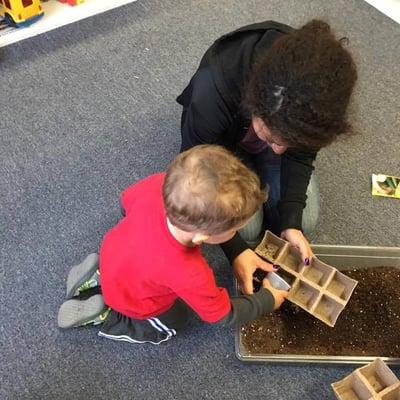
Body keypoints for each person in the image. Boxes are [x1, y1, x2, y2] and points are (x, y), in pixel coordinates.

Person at [176, 19, 357, 295]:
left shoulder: (315, 102)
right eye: (272, 138)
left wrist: (291, 222)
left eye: (290, 143)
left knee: (304, 221)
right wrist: (236, 250)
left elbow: (300, 155)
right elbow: (196, 168)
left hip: (261, 128)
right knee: (246, 233)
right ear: (254, 106)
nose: (280, 151)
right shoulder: (213, 94)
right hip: (225, 150)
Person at [57, 145, 288, 345]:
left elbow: (125, 205)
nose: (236, 233)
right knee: (176, 320)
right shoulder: (191, 273)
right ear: (201, 237)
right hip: (133, 300)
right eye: (233, 230)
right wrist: (266, 300)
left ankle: (97, 275)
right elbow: (221, 315)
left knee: (134, 264)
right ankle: (111, 318)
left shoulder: (161, 184)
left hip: (112, 253)